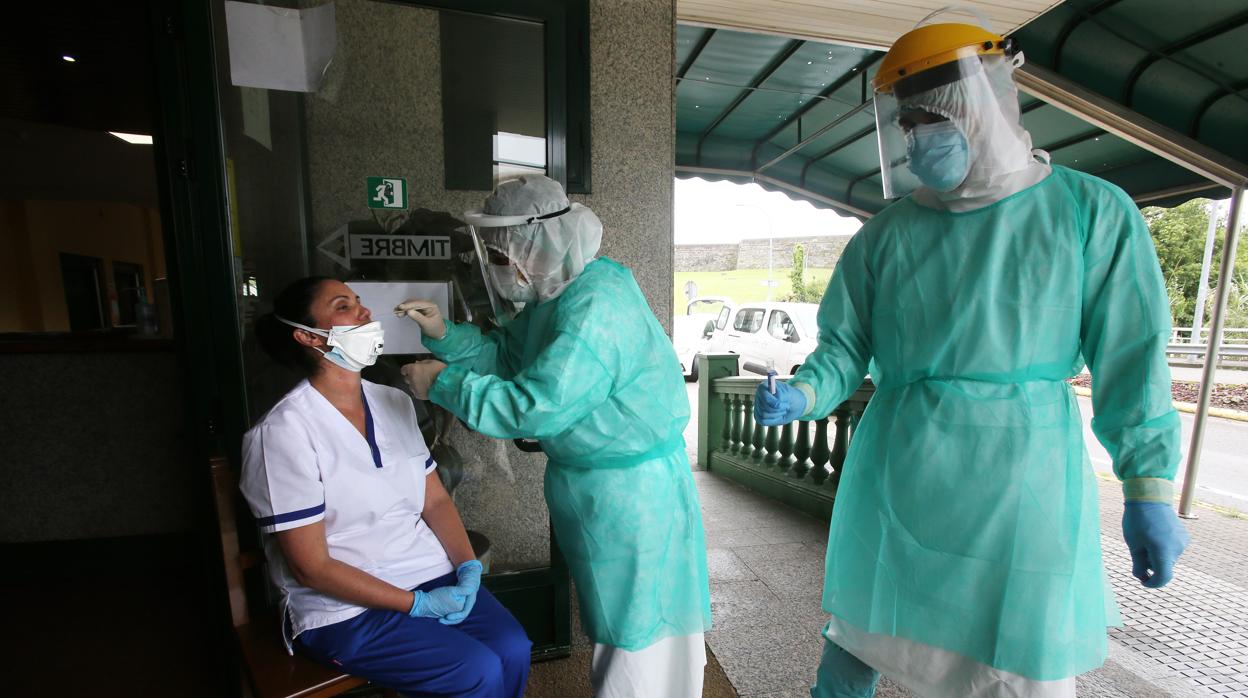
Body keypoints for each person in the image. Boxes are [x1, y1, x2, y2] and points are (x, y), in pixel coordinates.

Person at [753, 18, 1191, 698]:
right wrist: (806, 394)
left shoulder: (1089, 214)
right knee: (862, 641)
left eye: (926, 118)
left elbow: (1131, 359)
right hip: (901, 476)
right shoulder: (886, 237)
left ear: (978, 104)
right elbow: (844, 347)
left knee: (1017, 665)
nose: (912, 136)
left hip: (1022, 484)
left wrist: (1149, 487)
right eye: (904, 123)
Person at [396, 175, 712, 697]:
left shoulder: (595, 308)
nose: (497, 268)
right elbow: (507, 358)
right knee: (638, 626)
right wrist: (444, 335)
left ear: (539, 244)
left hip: (631, 499)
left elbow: (536, 405)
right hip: (601, 490)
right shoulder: (556, 296)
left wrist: (443, 383)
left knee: (635, 637)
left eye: (502, 255)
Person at [243, 276, 531, 697]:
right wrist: (415, 605)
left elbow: (433, 498)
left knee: (512, 647)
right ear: (307, 336)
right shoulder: (283, 432)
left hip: (427, 575)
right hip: (343, 608)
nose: (364, 312)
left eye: (359, 302)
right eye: (344, 306)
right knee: (475, 670)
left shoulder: (392, 401)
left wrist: (467, 568)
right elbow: (311, 567)